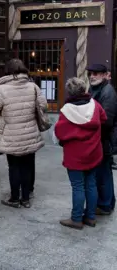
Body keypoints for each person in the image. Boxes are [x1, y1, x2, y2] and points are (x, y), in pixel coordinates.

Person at [0, 59, 47, 208]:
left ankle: (14, 198)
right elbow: (43, 106)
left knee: (13, 166)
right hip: (30, 133)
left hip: (11, 134)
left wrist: (1, 124)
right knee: (27, 166)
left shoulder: (2, 89)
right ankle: (26, 199)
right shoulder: (33, 87)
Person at [55, 77, 107, 230]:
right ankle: (90, 217)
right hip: (94, 152)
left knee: (78, 186)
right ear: (84, 90)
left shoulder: (66, 110)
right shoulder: (95, 105)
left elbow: (60, 132)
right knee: (91, 184)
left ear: (69, 92)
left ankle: (76, 219)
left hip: (75, 155)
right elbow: (103, 118)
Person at [87, 64, 117, 215]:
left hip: (103, 139)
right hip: (99, 139)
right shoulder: (95, 89)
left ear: (106, 75)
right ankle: (107, 203)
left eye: (96, 73)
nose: (92, 76)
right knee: (102, 173)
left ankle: (105, 205)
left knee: (103, 173)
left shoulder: (107, 92)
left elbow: (107, 121)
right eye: (91, 73)